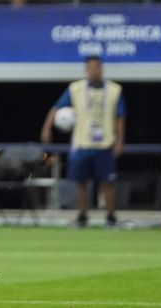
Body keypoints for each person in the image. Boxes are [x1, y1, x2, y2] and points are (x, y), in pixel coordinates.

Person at [39, 56, 125, 228]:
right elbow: (56, 107)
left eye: (97, 67)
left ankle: (110, 217)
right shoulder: (75, 88)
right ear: (86, 70)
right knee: (81, 182)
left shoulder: (115, 90)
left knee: (107, 183)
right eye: (91, 67)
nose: (94, 70)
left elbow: (120, 117)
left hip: (105, 143)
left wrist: (119, 141)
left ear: (102, 69)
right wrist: (46, 127)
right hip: (82, 144)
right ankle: (82, 216)